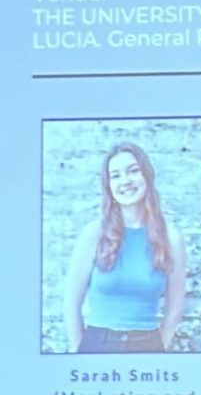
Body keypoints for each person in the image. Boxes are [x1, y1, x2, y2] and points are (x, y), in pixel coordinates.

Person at [64, 142, 184, 353]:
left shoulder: (171, 237)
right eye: (115, 175)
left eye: (133, 171)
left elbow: (174, 310)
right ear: (108, 185)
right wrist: (79, 354)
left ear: (147, 176)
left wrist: (158, 349)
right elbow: (71, 306)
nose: (125, 181)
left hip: (148, 346)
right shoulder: (93, 234)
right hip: (97, 344)